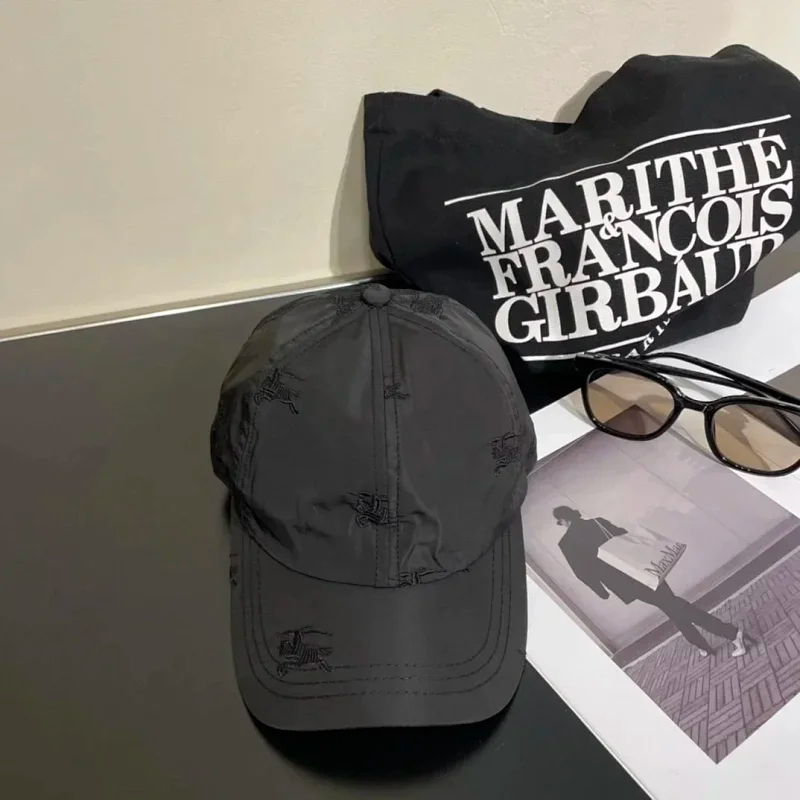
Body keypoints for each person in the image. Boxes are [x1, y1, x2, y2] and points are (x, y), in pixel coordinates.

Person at [553, 506, 754, 657]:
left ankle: (731, 633)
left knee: (673, 606)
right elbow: (624, 536)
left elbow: (582, 573)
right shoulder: (598, 522)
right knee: (672, 606)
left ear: (562, 520)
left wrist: (601, 592)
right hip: (645, 570)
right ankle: (703, 644)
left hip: (625, 583)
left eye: (559, 523)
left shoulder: (567, 543)